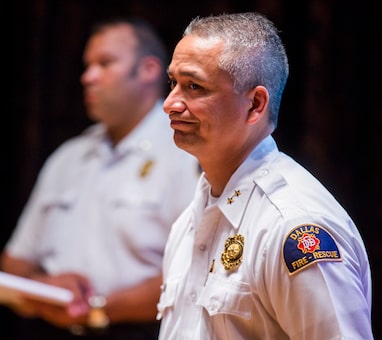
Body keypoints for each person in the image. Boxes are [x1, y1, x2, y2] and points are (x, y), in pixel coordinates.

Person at [156, 12, 373, 339]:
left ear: (255, 105)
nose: (170, 104)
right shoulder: (191, 218)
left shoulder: (293, 224)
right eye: (174, 83)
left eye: (194, 86)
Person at [0, 17, 199, 339]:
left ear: (148, 70)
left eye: (105, 64)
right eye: (87, 65)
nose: (88, 77)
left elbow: (198, 273)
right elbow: (14, 263)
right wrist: (46, 287)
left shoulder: (187, 155)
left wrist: (95, 306)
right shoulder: (68, 157)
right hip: (48, 328)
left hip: (140, 331)